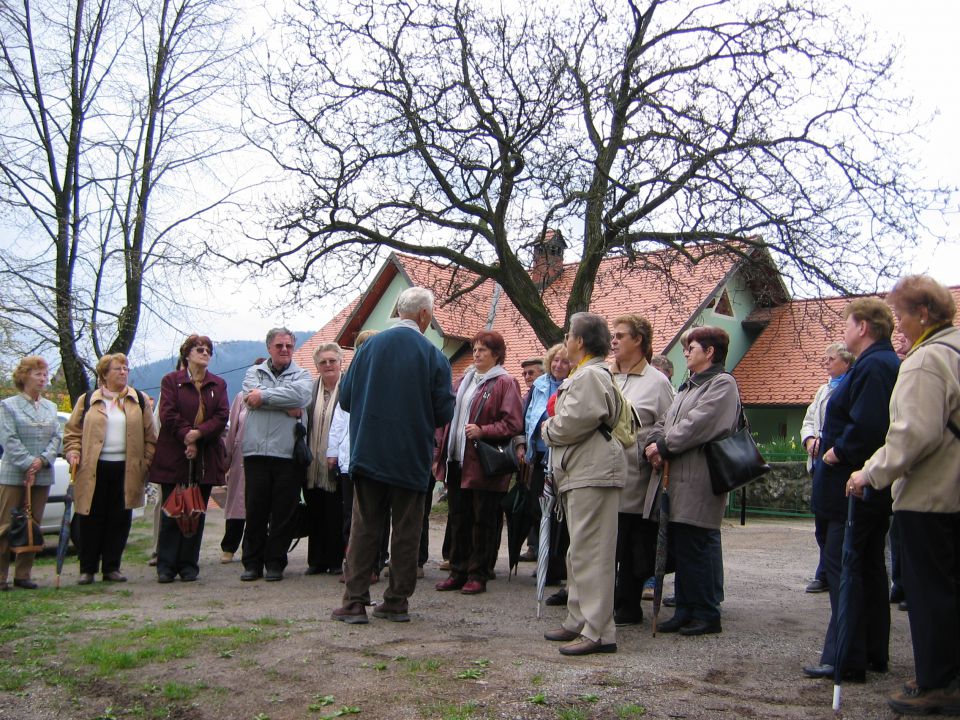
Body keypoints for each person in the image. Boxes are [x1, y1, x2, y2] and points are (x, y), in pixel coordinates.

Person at [848, 275, 960, 715]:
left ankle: (937, 684)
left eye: (903, 313)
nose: (898, 324)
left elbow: (911, 435)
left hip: (931, 495)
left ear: (924, 314)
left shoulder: (926, 361)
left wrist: (868, 474)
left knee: (929, 591)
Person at [331, 287, 455, 624]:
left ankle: (354, 601)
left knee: (364, 526)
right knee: (406, 531)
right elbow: (444, 413)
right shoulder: (435, 358)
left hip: (369, 452)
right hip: (411, 458)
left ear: (398, 312)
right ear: (425, 316)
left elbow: (345, 400)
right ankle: (397, 601)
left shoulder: (367, 348)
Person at [802, 297, 899, 682]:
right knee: (870, 568)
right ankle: (872, 650)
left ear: (863, 327)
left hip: (851, 485)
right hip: (864, 485)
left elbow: (868, 425)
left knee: (847, 569)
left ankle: (845, 657)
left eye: (847, 323)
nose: (843, 330)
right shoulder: (879, 364)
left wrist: (836, 452)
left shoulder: (874, 366)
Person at [644, 326, 740, 636]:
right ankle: (685, 609)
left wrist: (664, 445)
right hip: (678, 478)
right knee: (683, 544)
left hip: (699, 478)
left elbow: (698, 424)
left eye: (691, 347)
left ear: (709, 352)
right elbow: (666, 419)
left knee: (699, 544)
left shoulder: (722, 384)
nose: (686, 352)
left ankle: (707, 612)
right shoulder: (687, 387)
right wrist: (656, 439)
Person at [541, 312, 626, 656]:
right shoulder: (587, 374)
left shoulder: (590, 376)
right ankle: (579, 620)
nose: (565, 340)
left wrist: (546, 429)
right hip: (583, 472)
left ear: (580, 341)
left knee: (593, 553)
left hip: (593, 472)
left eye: (568, 335)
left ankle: (599, 631)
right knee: (580, 552)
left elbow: (569, 424)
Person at [435, 330, 524, 595]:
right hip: (457, 459)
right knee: (458, 518)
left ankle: (479, 573)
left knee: (483, 521)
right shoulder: (463, 380)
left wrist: (483, 430)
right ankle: (458, 570)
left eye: (483, 349)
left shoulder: (505, 383)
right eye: (474, 348)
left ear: (496, 354)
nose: (476, 353)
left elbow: (513, 423)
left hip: (484, 463)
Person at [64, 353, 157, 585]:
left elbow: (151, 436)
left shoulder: (139, 400)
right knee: (90, 517)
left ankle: (112, 567)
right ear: (104, 374)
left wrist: (145, 462)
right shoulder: (88, 400)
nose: (123, 372)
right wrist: (73, 450)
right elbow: (72, 431)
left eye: (126, 368)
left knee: (119, 518)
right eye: (117, 369)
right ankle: (87, 569)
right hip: (93, 467)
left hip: (126, 469)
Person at [609, 315, 675, 626]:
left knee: (632, 542)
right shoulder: (603, 376)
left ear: (639, 340)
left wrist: (655, 447)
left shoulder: (657, 383)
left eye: (621, 335)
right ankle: (602, 601)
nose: (614, 340)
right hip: (601, 473)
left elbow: (670, 425)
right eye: (613, 335)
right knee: (606, 542)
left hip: (635, 477)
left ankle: (628, 604)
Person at [150, 335, 229, 582]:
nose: (204, 353)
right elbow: (168, 414)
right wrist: (187, 437)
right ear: (187, 354)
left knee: (196, 511)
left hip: (205, 458)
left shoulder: (218, 384)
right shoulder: (171, 382)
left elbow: (221, 416)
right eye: (199, 349)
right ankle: (166, 566)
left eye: (208, 350)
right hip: (175, 456)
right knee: (172, 511)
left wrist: (198, 435)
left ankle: (188, 565)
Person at [240, 328, 313, 582]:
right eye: (279, 345)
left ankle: (275, 564)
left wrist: (265, 397)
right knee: (256, 510)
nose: (284, 350)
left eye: (289, 346)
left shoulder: (303, 375)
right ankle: (251, 563)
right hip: (256, 452)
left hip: (288, 454)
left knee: (284, 512)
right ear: (269, 347)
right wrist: (286, 406)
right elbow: (250, 399)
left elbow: (302, 396)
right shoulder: (253, 373)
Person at [516, 343, 572, 603]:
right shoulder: (539, 386)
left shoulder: (571, 386)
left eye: (564, 361)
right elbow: (527, 415)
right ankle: (544, 559)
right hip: (539, 456)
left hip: (562, 458)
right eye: (555, 361)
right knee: (538, 510)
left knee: (560, 515)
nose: (559, 365)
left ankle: (555, 566)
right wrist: (523, 444)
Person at [0, 356, 62, 590]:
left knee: (32, 523)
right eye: (38, 374)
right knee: (7, 524)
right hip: (14, 474)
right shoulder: (8, 405)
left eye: (45, 374)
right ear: (24, 376)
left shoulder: (50, 407)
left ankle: (23, 574)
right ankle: (1, 575)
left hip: (42, 474)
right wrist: (28, 463)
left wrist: (42, 460)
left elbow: (57, 437)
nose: (43, 379)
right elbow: (9, 439)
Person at [800, 343, 855, 594]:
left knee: (835, 522)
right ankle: (825, 570)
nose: (826, 363)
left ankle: (827, 573)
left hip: (837, 460)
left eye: (831, 358)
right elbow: (809, 419)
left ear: (846, 361)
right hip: (820, 459)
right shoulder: (823, 389)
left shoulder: (850, 387)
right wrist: (809, 439)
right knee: (820, 519)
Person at [304, 342, 347, 575]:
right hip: (312, 460)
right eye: (323, 362)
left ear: (341, 363)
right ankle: (315, 561)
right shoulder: (311, 389)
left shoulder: (348, 388)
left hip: (337, 460)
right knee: (315, 509)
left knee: (335, 512)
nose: (328, 365)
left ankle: (335, 560)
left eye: (332, 360)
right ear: (317, 366)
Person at [220, 358, 264, 564]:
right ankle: (229, 546)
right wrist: (226, 460)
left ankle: (253, 548)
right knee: (236, 504)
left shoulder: (274, 397)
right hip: (241, 456)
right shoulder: (241, 397)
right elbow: (232, 430)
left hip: (264, 455)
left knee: (258, 505)